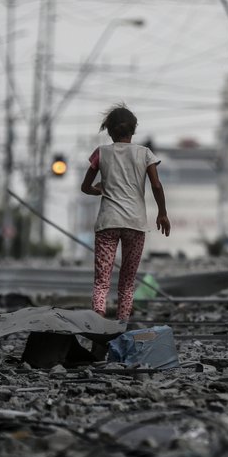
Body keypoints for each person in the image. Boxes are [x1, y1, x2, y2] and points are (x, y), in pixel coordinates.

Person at [81, 104, 170, 321]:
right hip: (135, 223)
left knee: (101, 282)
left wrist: (98, 190)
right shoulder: (145, 154)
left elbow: (85, 187)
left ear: (109, 131)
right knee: (127, 283)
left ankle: (98, 326)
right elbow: (157, 186)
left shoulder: (101, 153)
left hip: (108, 223)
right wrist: (162, 213)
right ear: (133, 130)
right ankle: (122, 327)